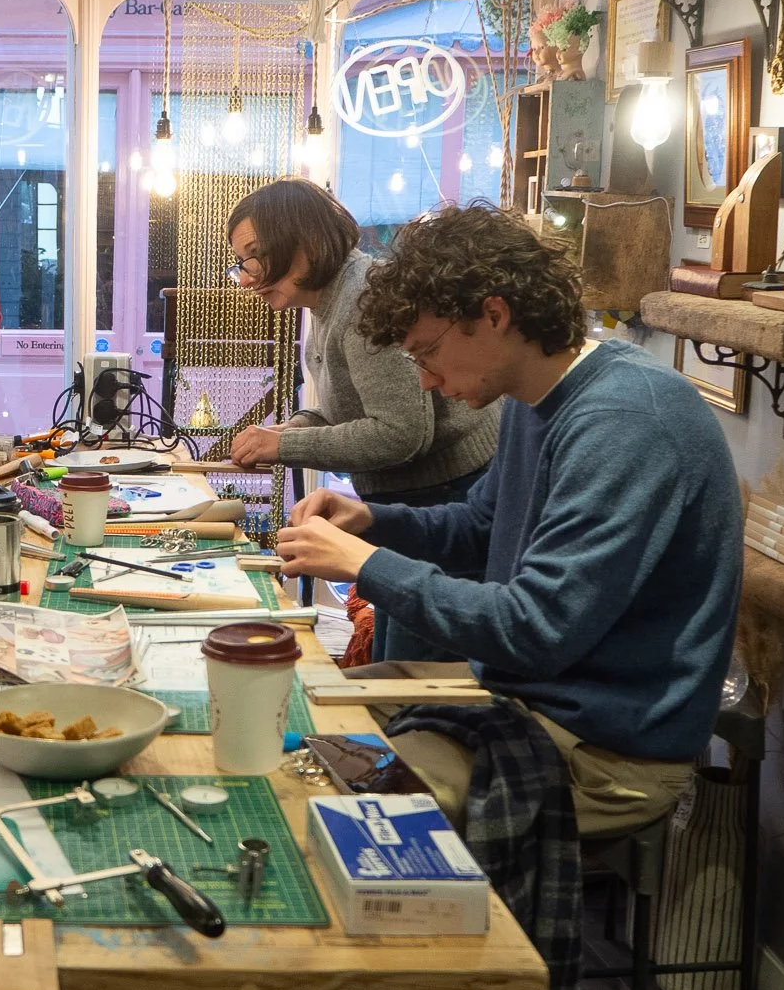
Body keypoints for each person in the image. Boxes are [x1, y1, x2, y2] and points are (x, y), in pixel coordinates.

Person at [273, 202, 743, 832]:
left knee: (317, 804)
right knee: (297, 711)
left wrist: (367, 565)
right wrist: (371, 520)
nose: (425, 382)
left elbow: (536, 629)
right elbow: (478, 528)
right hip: (525, 694)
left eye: (428, 353)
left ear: (493, 314)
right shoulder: (533, 396)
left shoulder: (624, 423)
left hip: (602, 745)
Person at [226, 180, 497, 662]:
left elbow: (401, 433)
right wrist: (288, 429)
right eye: (241, 263)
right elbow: (339, 408)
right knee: (391, 667)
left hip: (445, 504)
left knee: (409, 680)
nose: (245, 278)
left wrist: (284, 447)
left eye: (253, 257)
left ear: (304, 245)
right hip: (411, 505)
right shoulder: (329, 299)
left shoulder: (362, 298)